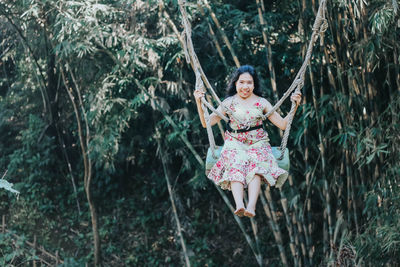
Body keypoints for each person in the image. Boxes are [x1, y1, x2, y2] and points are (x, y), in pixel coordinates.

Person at [194, 65, 302, 218]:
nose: (245, 86)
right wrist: (199, 103)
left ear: (254, 84)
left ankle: (251, 206)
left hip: (258, 142)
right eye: (242, 82)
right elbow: (207, 122)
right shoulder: (228, 103)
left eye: (249, 83)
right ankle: (239, 205)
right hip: (234, 141)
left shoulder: (262, 102)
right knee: (235, 164)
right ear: (235, 84)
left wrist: (295, 105)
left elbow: (283, 125)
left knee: (256, 167)